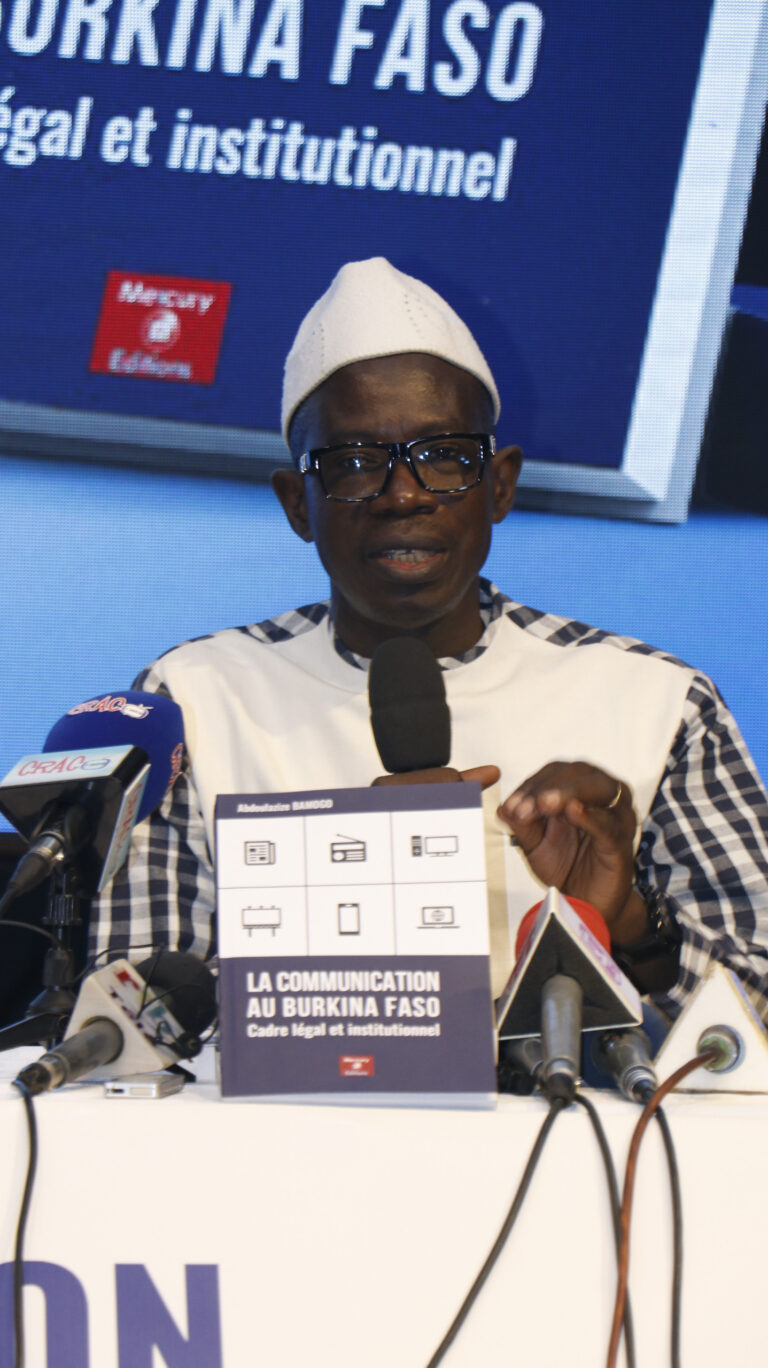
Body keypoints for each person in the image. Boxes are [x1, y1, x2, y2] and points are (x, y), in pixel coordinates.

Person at [89, 258, 768, 1023]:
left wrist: (628, 923)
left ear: (500, 485)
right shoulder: (192, 698)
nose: (403, 495)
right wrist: (348, 900)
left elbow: (756, 1006)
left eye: (444, 457)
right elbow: (132, 1015)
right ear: (297, 505)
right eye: (353, 464)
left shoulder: (659, 701)